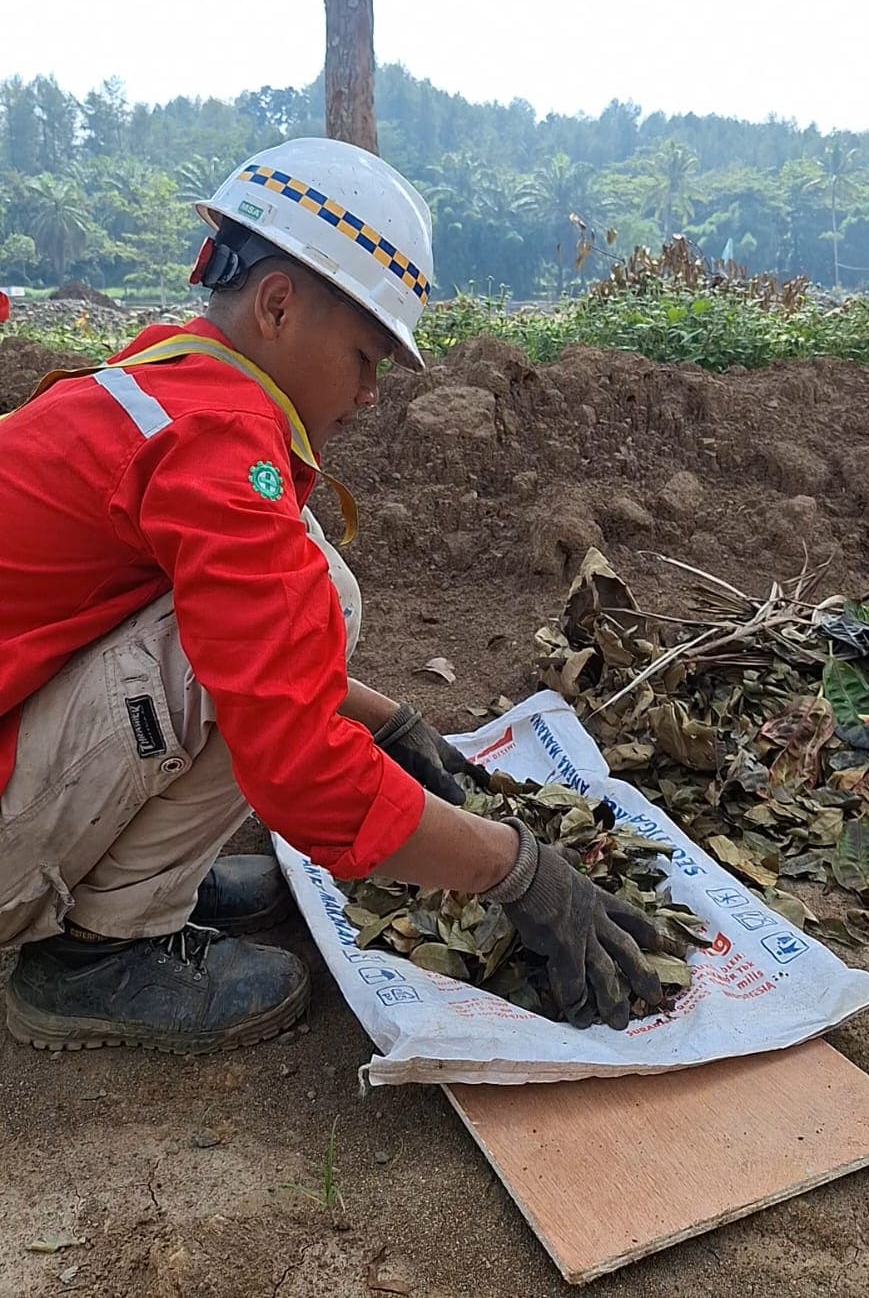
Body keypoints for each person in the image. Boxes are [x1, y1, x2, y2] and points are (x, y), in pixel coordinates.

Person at [0, 138, 663, 1054]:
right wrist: (518, 871)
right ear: (277, 304)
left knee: (308, 585)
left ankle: (139, 883)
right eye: (364, 355)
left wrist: (391, 723)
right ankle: (96, 952)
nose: (366, 392)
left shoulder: (167, 387)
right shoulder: (217, 448)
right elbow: (295, 758)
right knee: (283, 618)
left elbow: (255, 636)